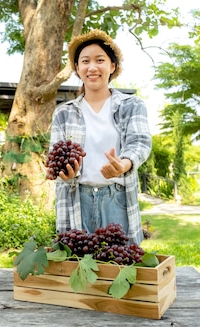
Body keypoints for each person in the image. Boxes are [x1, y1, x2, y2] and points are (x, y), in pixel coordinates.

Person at [50, 29, 152, 245]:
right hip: (77, 197)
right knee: (78, 267)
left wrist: (124, 163)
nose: (92, 67)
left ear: (112, 66)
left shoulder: (131, 106)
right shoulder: (63, 113)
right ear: (77, 68)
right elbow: (55, 157)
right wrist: (64, 174)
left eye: (100, 60)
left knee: (119, 266)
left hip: (117, 198)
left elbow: (140, 142)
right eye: (85, 61)